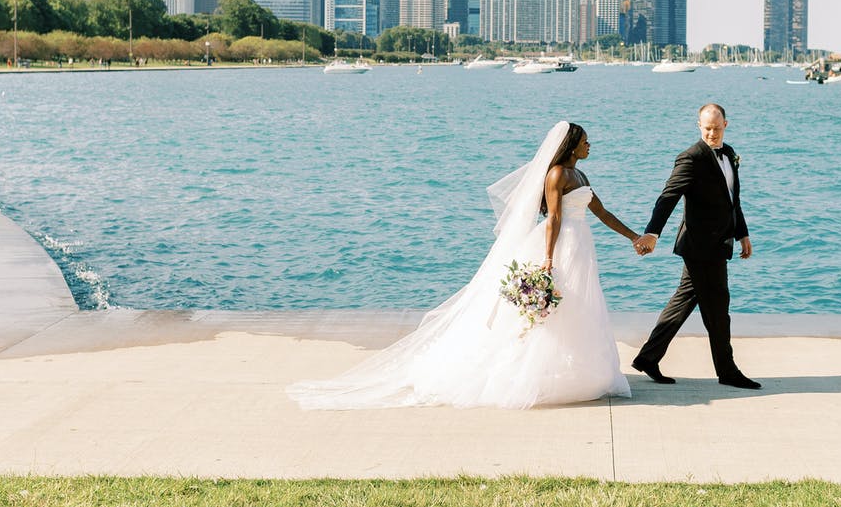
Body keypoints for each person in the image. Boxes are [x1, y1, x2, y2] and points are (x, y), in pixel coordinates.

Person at [289, 121, 640, 409]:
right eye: (585, 142)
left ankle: (576, 368)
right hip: (560, 247)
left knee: (580, 308)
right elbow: (553, 220)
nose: (589, 146)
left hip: (581, 249)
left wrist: (634, 237)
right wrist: (548, 259)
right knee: (551, 310)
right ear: (571, 145)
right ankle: (531, 370)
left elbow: (602, 213)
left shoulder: (581, 178)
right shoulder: (557, 176)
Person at [630, 103, 761, 390]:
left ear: (726, 124)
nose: (712, 133)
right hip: (700, 246)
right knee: (718, 310)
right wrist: (652, 233)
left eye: (716, 128)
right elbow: (668, 197)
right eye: (706, 128)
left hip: (718, 243)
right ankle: (727, 371)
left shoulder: (729, 154)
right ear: (699, 127)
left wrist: (743, 234)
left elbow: (732, 200)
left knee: (685, 301)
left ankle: (648, 358)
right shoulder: (690, 158)